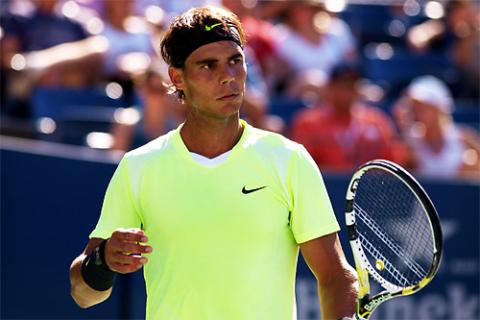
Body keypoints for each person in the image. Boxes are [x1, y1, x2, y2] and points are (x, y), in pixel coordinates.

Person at [69, 6, 358, 320]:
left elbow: (335, 277)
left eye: (236, 61)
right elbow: (83, 294)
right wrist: (102, 261)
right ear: (177, 78)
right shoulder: (139, 166)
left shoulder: (289, 160)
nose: (228, 77)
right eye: (208, 65)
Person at [291, 62, 409, 172]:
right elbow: (303, 167)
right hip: (324, 190)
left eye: (351, 87)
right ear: (329, 88)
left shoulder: (376, 120)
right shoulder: (309, 122)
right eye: (340, 86)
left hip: (368, 190)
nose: (346, 92)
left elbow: (391, 162)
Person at [393, 75, 480, 179]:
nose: (417, 111)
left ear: (438, 109)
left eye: (423, 107)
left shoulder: (464, 139)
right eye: (415, 107)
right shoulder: (409, 143)